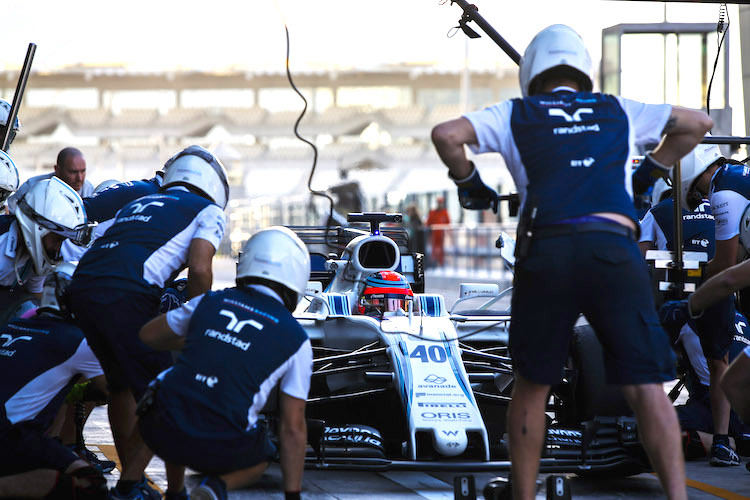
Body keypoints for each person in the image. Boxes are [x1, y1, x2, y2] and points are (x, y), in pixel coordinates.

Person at [431, 24, 713, 499]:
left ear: (531, 76)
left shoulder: (516, 113)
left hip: (549, 248)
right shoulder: (617, 109)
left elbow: (446, 134)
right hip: (613, 249)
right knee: (646, 385)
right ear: (583, 73)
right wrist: (653, 168)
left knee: (533, 383)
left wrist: (467, 181)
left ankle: (522, 494)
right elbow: (697, 123)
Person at [67, 145, 229, 500]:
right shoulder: (209, 211)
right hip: (126, 293)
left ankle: (137, 481)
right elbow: (201, 268)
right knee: (168, 395)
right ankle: (147, 490)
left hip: (83, 288)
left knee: (122, 386)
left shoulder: (140, 203)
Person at [136, 226, 311, 500]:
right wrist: (292, 495)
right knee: (265, 453)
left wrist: (204, 340)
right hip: (223, 447)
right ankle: (215, 489)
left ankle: (142, 487)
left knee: (171, 390)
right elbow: (292, 426)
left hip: (161, 432)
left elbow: (148, 335)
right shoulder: (297, 339)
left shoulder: (210, 301)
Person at [0, 262, 108, 499]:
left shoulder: (14, 324)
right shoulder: (77, 340)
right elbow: (112, 389)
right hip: (13, 435)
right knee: (91, 483)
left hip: (11, 431)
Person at [0, 176, 91, 324]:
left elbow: (36, 292)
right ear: (37, 228)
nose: (57, 248)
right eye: (57, 239)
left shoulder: (35, 256)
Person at [425, 197, 450, 267]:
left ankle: (441, 263)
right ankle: (434, 263)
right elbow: (428, 223)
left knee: (441, 249)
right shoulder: (433, 212)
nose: (440, 204)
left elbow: (448, 223)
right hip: (434, 234)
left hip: (442, 234)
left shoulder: (445, 212)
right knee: (434, 249)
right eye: (439, 203)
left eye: (441, 203)